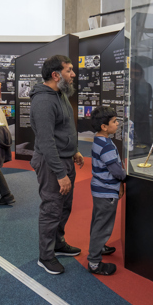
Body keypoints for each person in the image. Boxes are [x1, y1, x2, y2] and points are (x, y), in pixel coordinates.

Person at [30, 54, 84, 275]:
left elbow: (64, 129)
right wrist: (60, 174)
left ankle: (58, 243)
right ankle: (46, 256)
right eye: (69, 70)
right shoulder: (43, 101)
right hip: (52, 163)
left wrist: (74, 150)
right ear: (55, 75)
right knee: (52, 208)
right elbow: (46, 141)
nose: (73, 74)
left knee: (64, 206)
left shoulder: (60, 94)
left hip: (65, 158)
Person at [87, 106, 126, 276]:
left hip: (99, 188)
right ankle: (94, 262)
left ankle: (99, 247)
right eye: (114, 121)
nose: (117, 124)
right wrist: (125, 178)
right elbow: (116, 171)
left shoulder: (99, 140)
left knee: (98, 221)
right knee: (102, 226)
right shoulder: (106, 146)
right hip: (106, 191)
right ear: (104, 126)